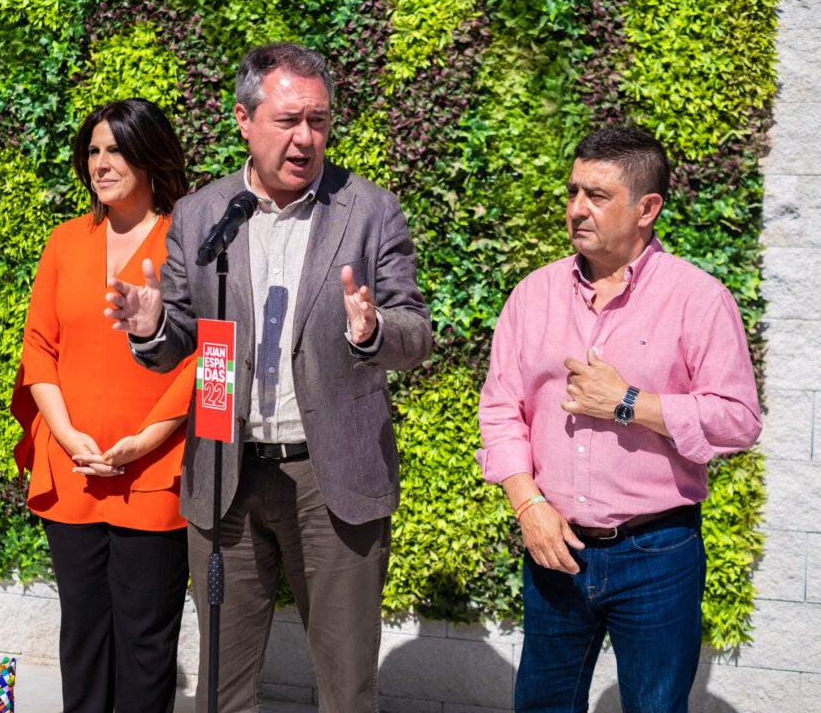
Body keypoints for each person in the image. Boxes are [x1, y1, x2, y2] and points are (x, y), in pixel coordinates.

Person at [105, 43, 432, 712]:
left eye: (318, 120)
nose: (305, 138)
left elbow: (415, 333)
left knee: (346, 686)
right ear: (243, 119)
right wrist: (148, 327)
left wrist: (370, 331)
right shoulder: (203, 214)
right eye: (288, 121)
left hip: (331, 475)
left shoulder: (369, 211)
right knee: (221, 686)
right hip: (226, 470)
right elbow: (179, 341)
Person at [476, 127, 762, 712]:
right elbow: (501, 411)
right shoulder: (533, 296)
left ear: (646, 209)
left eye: (598, 196)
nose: (577, 209)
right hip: (555, 548)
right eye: (574, 191)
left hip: (657, 553)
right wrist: (529, 507)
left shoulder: (699, 299)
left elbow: (738, 421)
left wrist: (630, 403)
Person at [10, 98, 195, 713]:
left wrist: (144, 442)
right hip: (74, 470)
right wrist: (63, 434)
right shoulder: (65, 241)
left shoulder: (189, 244)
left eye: (115, 149)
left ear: (150, 155)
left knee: (146, 641)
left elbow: (206, 355)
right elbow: (38, 345)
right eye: (93, 150)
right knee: (83, 635)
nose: (101, 163)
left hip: (156, 472)